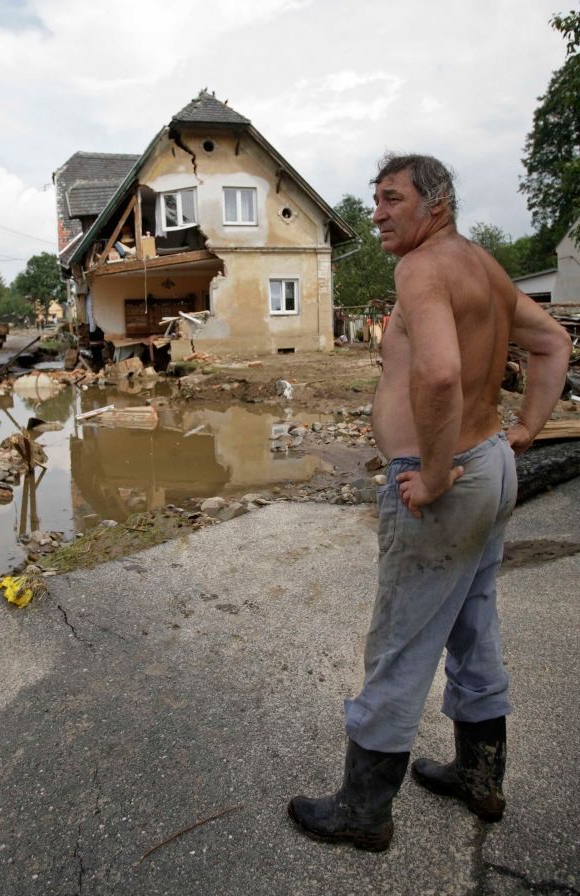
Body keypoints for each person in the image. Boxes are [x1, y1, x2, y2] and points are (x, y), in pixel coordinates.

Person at [288, 154, 571, 852]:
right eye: (374, 199)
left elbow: (441, 373)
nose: (377, 212)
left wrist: (438, 473)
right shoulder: (483, 267)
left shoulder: (419, 269)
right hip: (493, 466)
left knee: (400, 644)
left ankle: (363, 811)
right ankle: (480, 776)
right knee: (473, 624)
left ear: (434, 204)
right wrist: (526, 431)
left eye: (392, 199)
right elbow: (553, 342)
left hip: (448, 483)